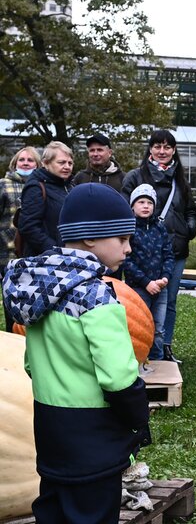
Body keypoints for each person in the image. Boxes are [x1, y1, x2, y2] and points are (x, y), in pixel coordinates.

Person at [3, 183, 150, 523]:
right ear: (90, 239)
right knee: (93, 512)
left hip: (50, 429)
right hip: (94, 436)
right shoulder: (97, 296)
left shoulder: (37, 290)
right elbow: (117, 376)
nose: (128, 248)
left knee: (52, 507)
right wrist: (137, 418)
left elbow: (29, 362)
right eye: (122, 239)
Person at [122, 130, 196, 363]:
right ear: (150, 149)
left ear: (174, 150)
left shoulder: (180, 179)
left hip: (173, 250)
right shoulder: (135, 176)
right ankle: (141, 346)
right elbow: (123, 208)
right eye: (157, 146)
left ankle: (164, 346)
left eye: (167, 147)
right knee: (139, 304)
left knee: (169, 301)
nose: (162, 151)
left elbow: (191, 211)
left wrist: (188, 230)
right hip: (140, 251)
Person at [123, 184, 174, 361]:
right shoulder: (129, 230)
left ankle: (157, 363)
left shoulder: (160, 228)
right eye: (141, 202)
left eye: (149, 203)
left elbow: (168, 254)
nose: (145, 206)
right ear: (132, 206)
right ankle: (138, 362)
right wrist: (146, 282)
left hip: (160, 288)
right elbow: (126, 261)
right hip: (138, 289)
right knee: (138, 329)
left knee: (158, 328)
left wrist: (165, 277)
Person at [0, 147, 41, 331]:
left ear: (38, 164)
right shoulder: (4, 185)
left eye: (30, 160)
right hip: (8, 256)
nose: (25, 163)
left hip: (35, 257)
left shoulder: (41, 186)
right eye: (21, 160)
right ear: (14, 163)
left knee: (34, 306)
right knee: (11, 308)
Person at [17, 141, 74, 257]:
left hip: (69, 256)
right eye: (61, 162)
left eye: (70, 163)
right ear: (46, 163)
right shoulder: (36, 187)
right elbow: (28, 226)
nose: (67, 167)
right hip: (45, 260)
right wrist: (54, 250)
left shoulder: (70, 187)